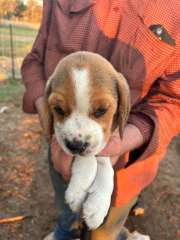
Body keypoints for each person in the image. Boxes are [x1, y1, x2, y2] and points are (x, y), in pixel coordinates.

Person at [21, 0, 180, 240]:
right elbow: (34, 60)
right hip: (60, 152)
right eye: (60, 109)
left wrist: (127, 138)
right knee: (67, 211)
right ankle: (64, 232)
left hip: (129, 161)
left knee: (104, 231)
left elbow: (174, 99)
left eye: (99, 111)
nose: (79, 137)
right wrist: (49, 118)